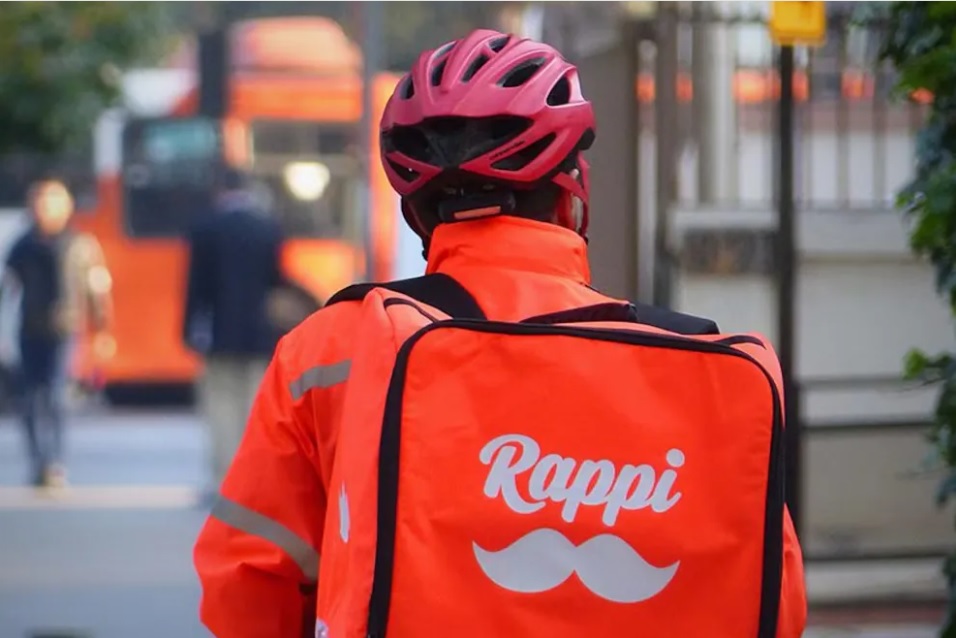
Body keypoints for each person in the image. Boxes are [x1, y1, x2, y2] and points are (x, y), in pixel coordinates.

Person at [194, 30, 807, 637]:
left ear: (416, 212)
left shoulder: (331, 346)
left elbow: (245, 581)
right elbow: (774, 603)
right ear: (572, 195)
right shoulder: (694, 366)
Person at [1, 178, 113, 488]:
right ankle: (38, 460)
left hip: (65, 327)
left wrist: (102, 328)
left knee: (54, 394)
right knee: (29, 398)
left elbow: (97, 288)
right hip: (29, 327)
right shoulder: (22, 245)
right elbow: (7, 288)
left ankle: (54, 461)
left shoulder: (79, 244)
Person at [183, 166, 284, 496]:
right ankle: (254, 481)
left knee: (220, 407)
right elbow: (276, 283)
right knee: (255, 407)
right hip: (260, 334)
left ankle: (224, 481)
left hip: (219, 333)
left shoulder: (204, 227)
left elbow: (195, 287)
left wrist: (188, 330)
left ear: (219, 190)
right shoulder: (267, 227)